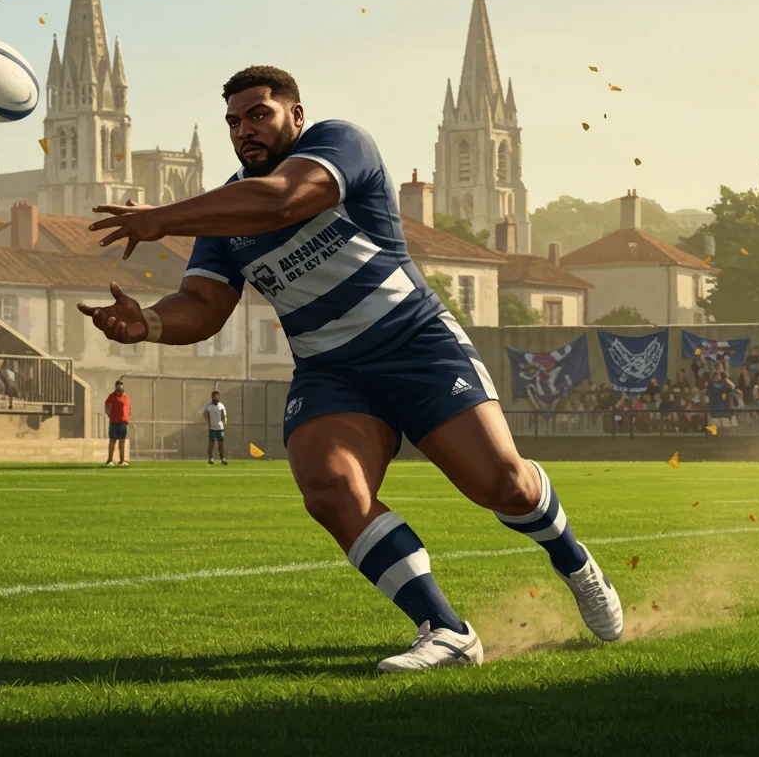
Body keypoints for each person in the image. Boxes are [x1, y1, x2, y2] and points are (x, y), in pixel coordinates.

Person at [76, 66, 622, 672]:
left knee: (503, 485)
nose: (243, 130)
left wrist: (165, 216)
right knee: (330, 489)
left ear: (296, 115)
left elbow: (282, 199)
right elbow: (203, 306)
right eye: (233, 121)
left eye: (258, 114)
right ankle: (446, 630)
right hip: (331, 370)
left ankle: (576, 565)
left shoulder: (340, 143)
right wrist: (149, 323)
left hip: (415, 345)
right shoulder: (222, 214)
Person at [104, 379, 130, 467]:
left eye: (121, 388)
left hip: (123, 422)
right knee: (113, 440)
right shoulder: (112, 396)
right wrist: (109, 413)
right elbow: (107, 405)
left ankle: (122, 460)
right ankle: (110, 460)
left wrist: (127, 418)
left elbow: (128, 408)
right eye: (118, 389)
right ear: (116, 388)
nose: (120, 390)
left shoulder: (126, 397)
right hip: (114, 422)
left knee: (122, 441)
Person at [203, 390, 229, 465]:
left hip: (220, 428)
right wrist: (208, 422)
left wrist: (224, 421)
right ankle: (210, 458)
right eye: (213, 396)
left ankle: (222, 459)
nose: (214, 397)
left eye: (216, 396)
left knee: (221, 444)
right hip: (212, 428)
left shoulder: (221, 405)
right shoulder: (209, 406)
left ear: (218, 397)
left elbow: (224, 415)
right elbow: (204, 413)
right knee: (211, 443)